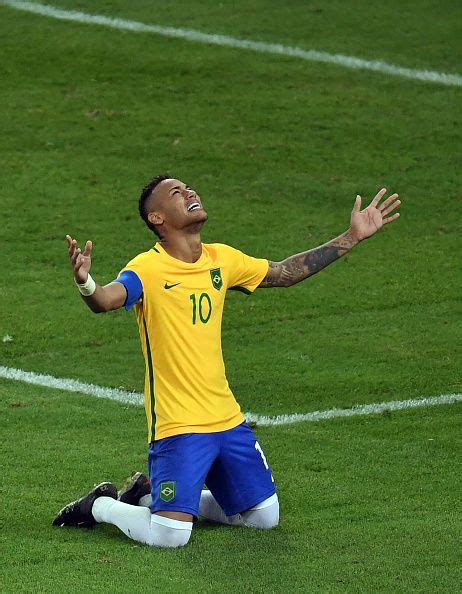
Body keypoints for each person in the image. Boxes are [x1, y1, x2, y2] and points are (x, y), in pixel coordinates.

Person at [53, 176, 400, 547]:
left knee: (265, 517)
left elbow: (284, 273)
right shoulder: (147, 269)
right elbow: (106, 300)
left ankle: (148, 495)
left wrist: (351, 237)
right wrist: (86, 282)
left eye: (189, 188)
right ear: (157, 218)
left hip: (227, 419)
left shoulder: (223, 259)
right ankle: (100, 506)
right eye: (176, 192)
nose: (190, 193)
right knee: (171, 536)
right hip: (179, 425)